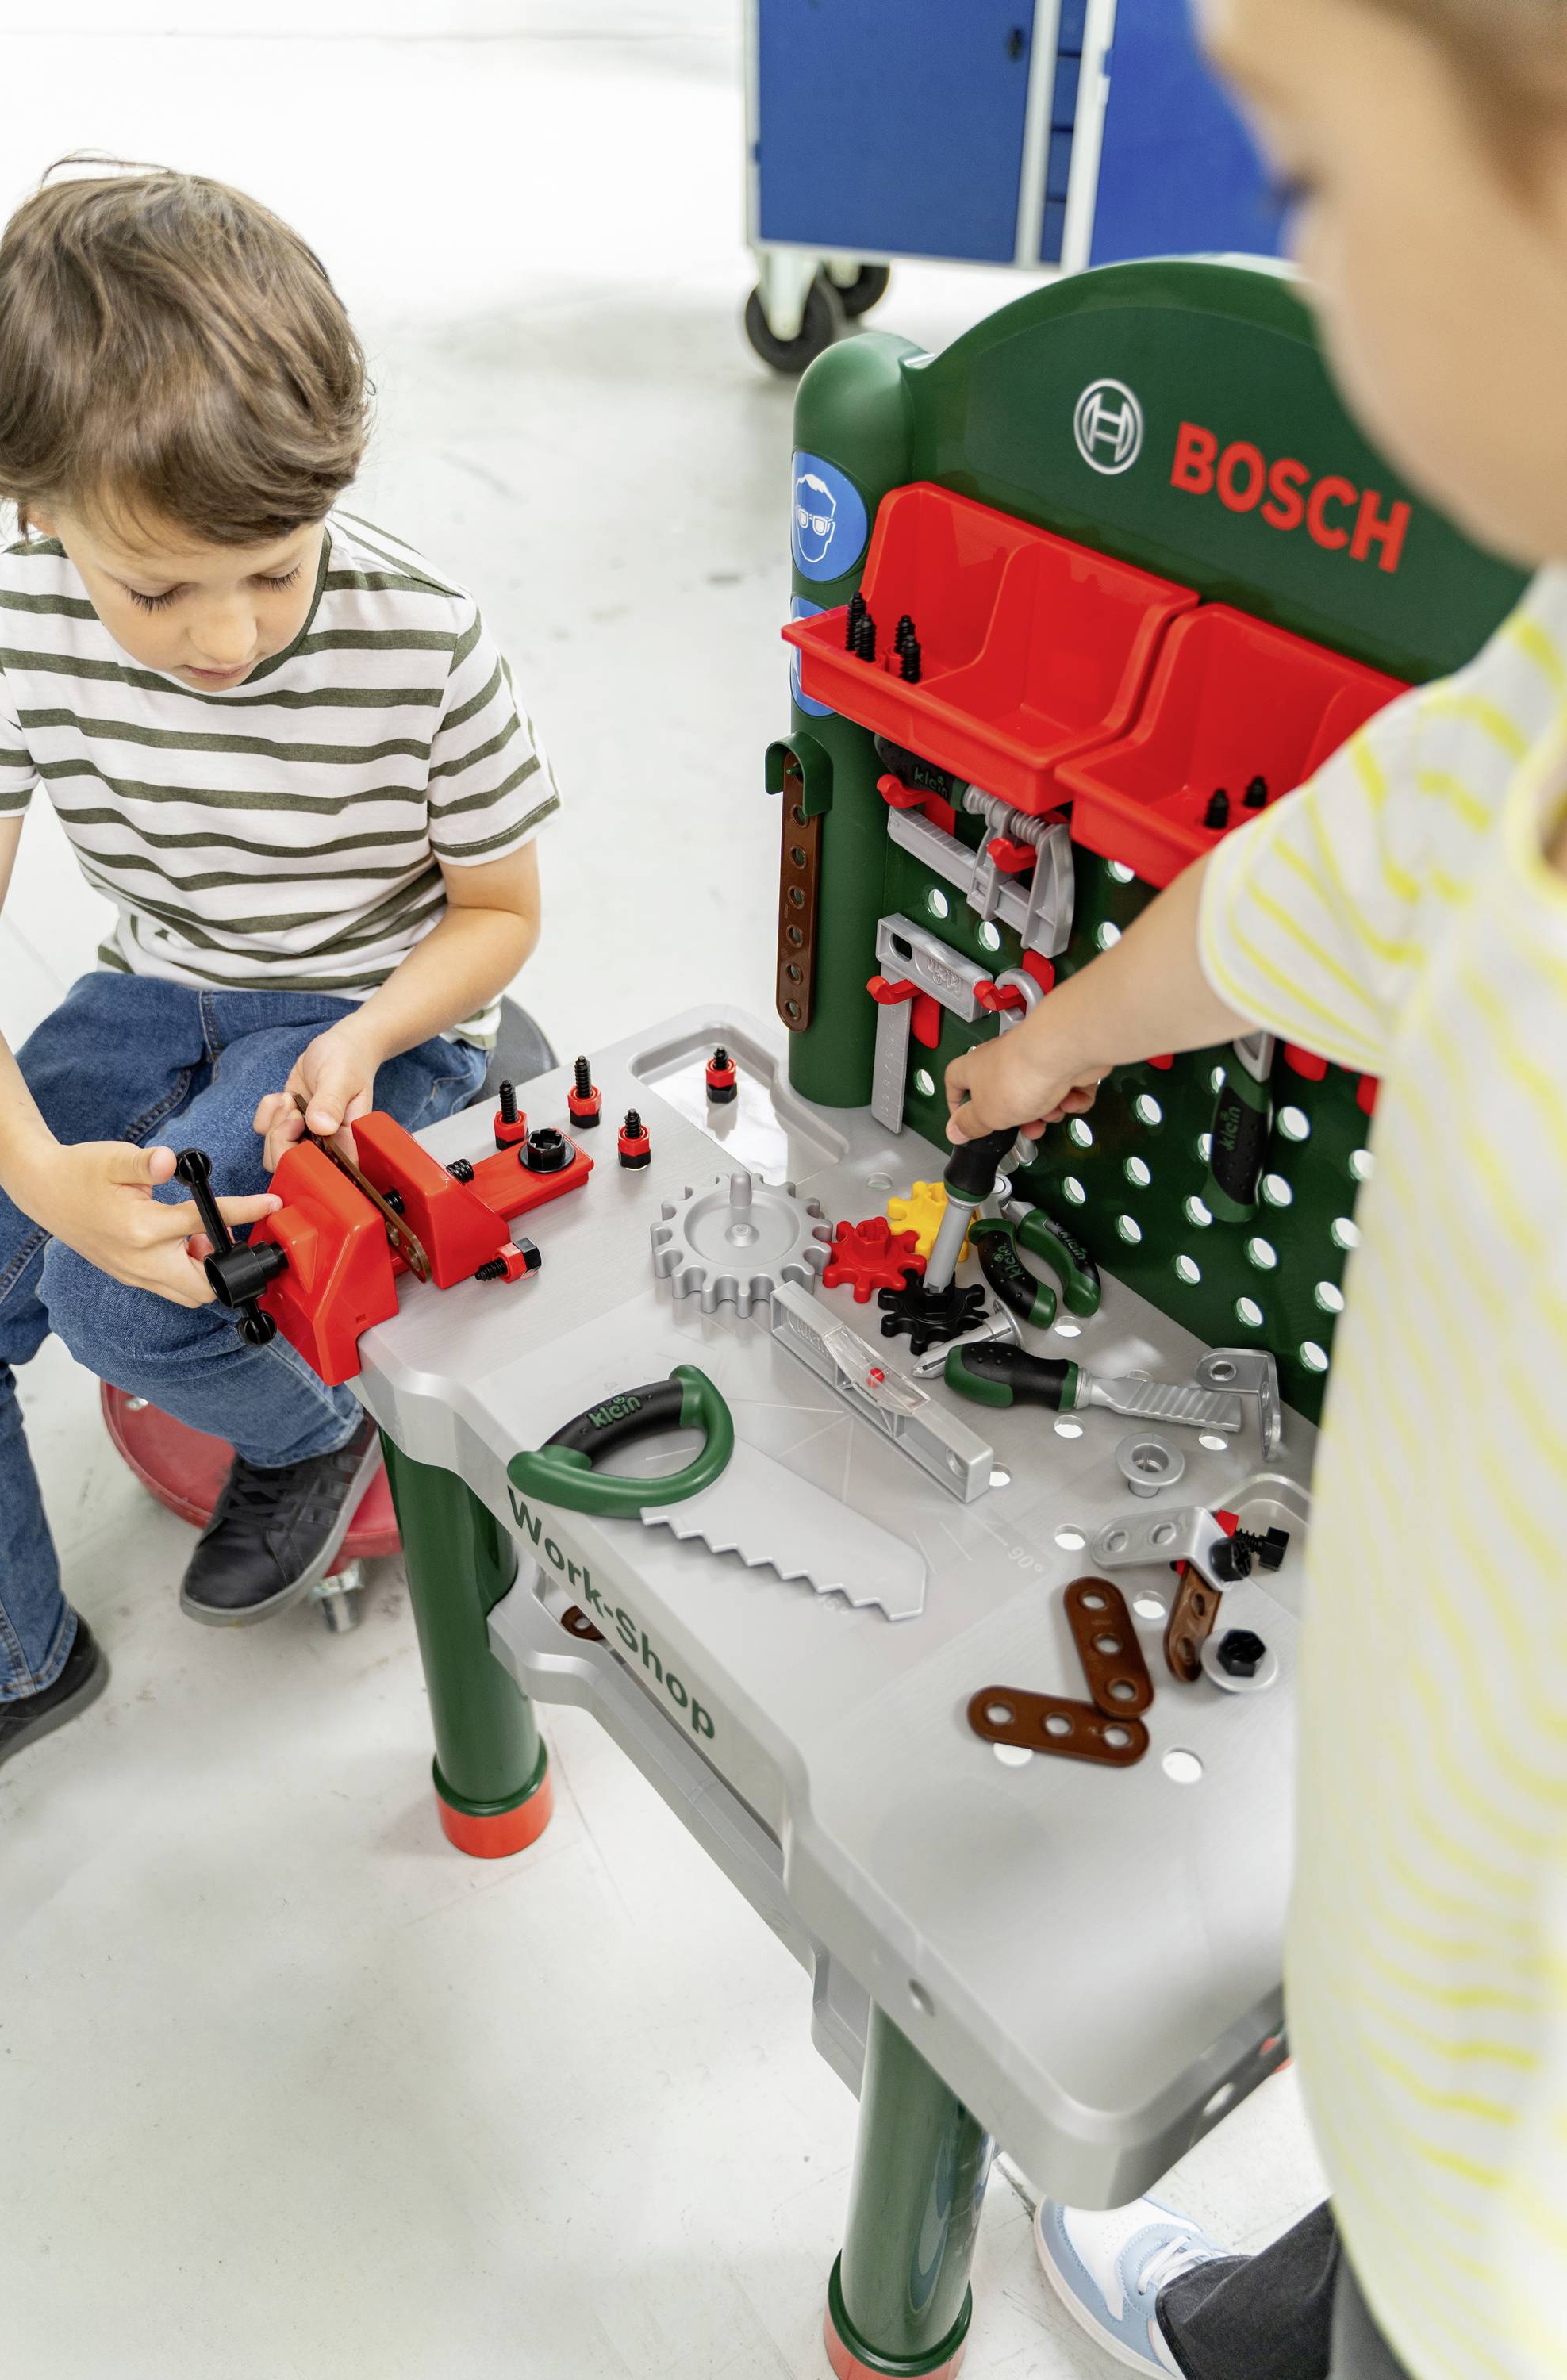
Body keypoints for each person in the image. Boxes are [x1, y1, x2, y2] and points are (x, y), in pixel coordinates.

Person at [945, 2, 1567, 2374]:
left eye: (1314, 177)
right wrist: (1051, 1042)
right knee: (1355, 2258)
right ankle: (1280, 2300)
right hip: (1416, 2002)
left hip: (1533, 2237)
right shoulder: (1550, 667)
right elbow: (1315, 887)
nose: (1296, 254)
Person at [0, 164, 556, 1798]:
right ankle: (14, 1653)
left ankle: (312, 1430)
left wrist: (375, 1029)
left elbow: (501, 916)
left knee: (119, 1295)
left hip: (371, 1019)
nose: (227, 638)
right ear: (28, 503)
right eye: (155, 589)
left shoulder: (429, 642)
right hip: (160, 994)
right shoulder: (16, 607)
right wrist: (31, 1166)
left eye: (276, 569)